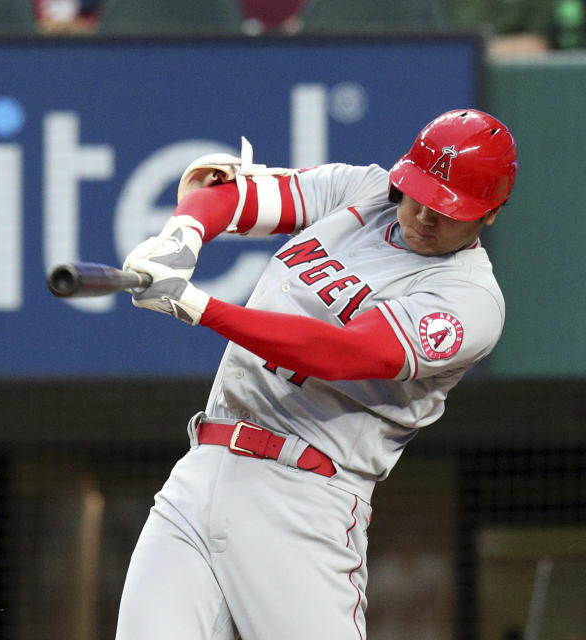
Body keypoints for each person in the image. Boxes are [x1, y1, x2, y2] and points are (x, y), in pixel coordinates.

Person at [115, 109, 517, 639]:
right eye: (417, 192)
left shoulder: (471, 300)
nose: (422, 214)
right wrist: (182, 235)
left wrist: (200, 307)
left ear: (489, 214)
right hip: (202, 469)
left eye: (447, 208)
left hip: (303, 497)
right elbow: (235, 196)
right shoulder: (366, 191)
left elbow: (343, 352)